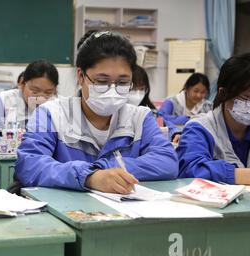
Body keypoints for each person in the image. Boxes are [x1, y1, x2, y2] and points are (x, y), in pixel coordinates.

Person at [15, 31, 178, 193]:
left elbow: (167, 162)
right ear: (81, 76)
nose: (112, 90)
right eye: (101, 81)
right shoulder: (51, 114)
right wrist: (89, 177)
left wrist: (103, 168)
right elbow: (29, 165)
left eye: (122, 82)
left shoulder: (139, 118)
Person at [177, 53, 250, 184]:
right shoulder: (199, 129)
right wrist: (244, 175)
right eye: (247, 98)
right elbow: (189, 171)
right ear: (223, 93)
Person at [0, 59, 59, 145]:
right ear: (22, 83)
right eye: (34, 91)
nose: (40, 98)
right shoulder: (5, 99)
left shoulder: (57, 105)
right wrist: (8, 135)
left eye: (48, 92)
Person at [158, 72, 212, 143]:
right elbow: (161, 118)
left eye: (203, 92)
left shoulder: (207, 106)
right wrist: (187, 119)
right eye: (196, 91)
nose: (199, 95)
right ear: (187, 88)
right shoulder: (172, 102)